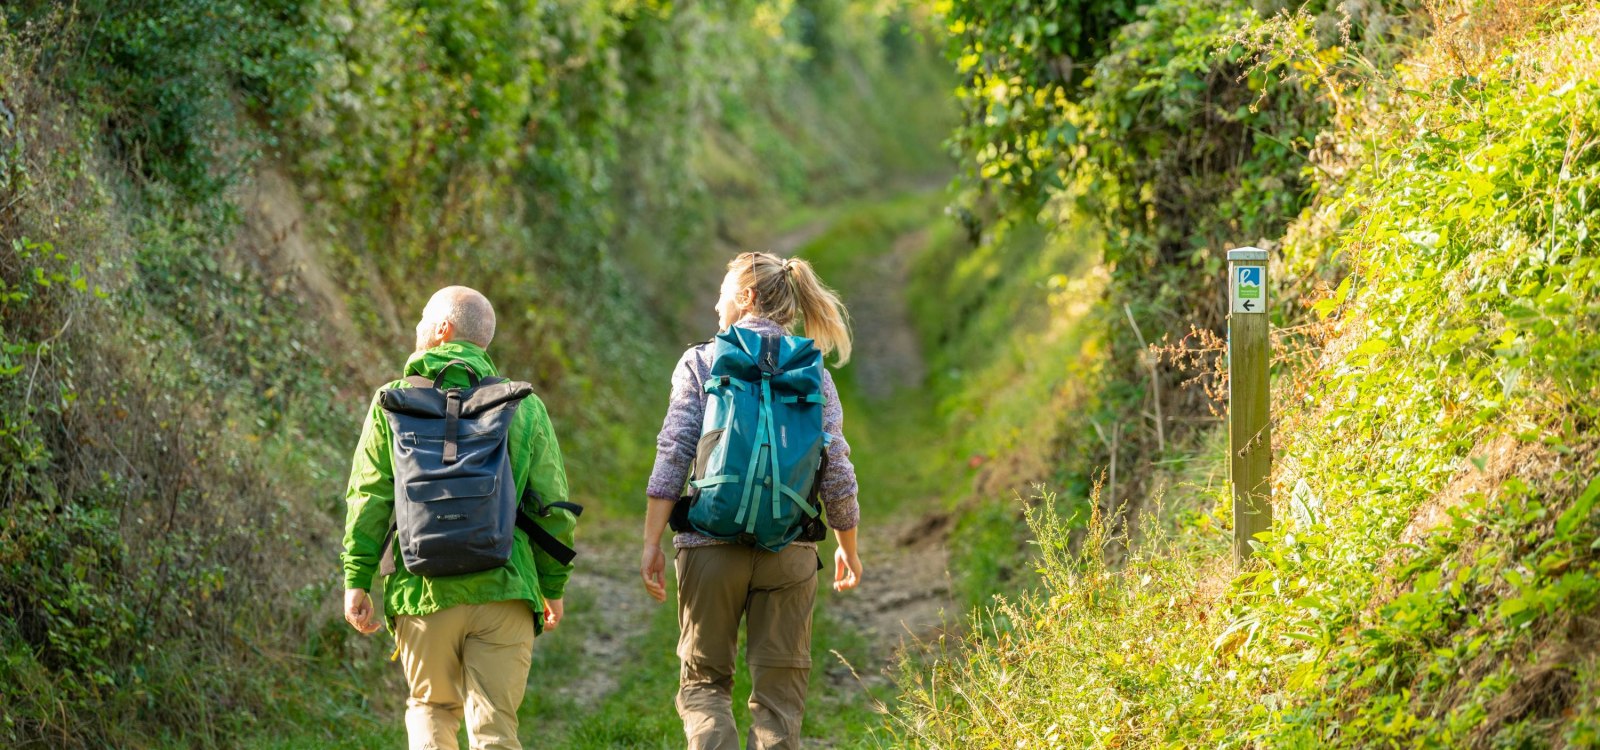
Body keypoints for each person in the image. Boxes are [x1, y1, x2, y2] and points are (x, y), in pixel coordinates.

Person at [641, 252, 864, 749]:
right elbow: (838, 467)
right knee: (780, 702)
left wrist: (652, 540)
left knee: (704, 687)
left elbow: (674, 451)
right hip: (789, 548)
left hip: (708, 545)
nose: (717, 303)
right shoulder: (812, 370)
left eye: (723, 292)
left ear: (745, 297)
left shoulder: (702, 360)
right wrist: (848, 542)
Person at [341, 286, 576, 750]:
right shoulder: (522, 404)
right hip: (504, 588)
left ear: (442, 330)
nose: (416, 328)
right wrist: (553, 587)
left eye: (422, 319)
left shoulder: (391, 401)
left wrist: (357, 576)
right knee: (494, 730)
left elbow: (368, 497)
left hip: (422, 590)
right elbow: (551, 505)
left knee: (431, 710)